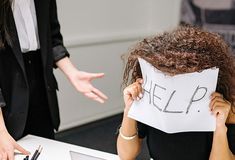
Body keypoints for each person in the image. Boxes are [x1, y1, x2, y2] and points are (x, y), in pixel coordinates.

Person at [0, 0, 108, 159]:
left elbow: (53, 38)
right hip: (5, 92)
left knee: (44, 150)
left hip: (41, 87)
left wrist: (72, 73)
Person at [117, 26, 235, 160]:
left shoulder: (223, 108)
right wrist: (129, 110)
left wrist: (220, 127)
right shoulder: (153, 99)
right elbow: (126, 155)